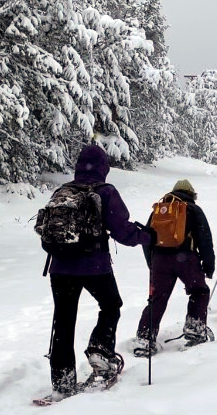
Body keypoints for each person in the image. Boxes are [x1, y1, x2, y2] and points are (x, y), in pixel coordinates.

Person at [45, 144, 151, 399]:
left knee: (64, 320)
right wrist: (146, 237)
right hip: (94, 265)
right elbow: (122, 230)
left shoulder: (63, 190)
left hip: (60, 266)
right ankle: (100, 353)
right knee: (111, 305)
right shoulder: (105, 191)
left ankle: (62, 380)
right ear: (104, 167)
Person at [132, 179, 216, 356]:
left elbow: (147, 238)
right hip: (187, 258)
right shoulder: (193, 209)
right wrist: (208, 266)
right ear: (192, 194)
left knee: (157, 298)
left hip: (160, 260)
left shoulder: (161, 209)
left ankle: (145, 337)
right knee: (199, 291)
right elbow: (205, 239)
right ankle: (195, 330)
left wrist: (152, 263)